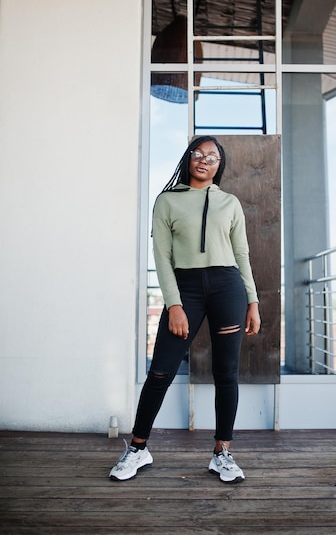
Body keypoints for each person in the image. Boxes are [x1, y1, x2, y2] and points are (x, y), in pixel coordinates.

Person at [109, 135, 261, 484]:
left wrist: (252, 301)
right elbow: (161, 257)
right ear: (188, 158)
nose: (204, 160)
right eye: (198, 153)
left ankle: (222, 452)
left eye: (212, 156)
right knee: (160, 371)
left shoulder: (230, 203)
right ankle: (138, 448)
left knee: (226, 374)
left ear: (219, 166)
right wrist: (174, 304)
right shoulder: (167, 201)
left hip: (228, 288)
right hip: (186, 289)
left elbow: (242, 256)